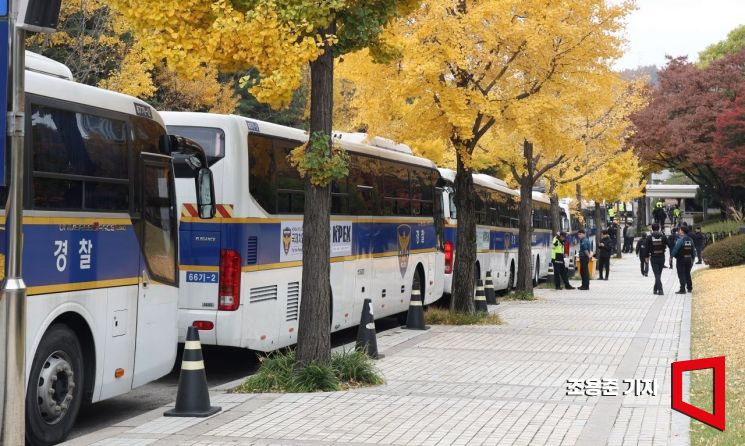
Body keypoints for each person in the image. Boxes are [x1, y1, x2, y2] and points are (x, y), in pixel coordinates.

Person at [671, 226, 696, 294]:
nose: (679, 231)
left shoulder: (680, 240)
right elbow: (693, 249)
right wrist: (693, 258)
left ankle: (682, 289)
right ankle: (689, 288)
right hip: (689, 259)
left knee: (681, 274)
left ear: (682, 231)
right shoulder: (690, 239)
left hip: (681, 259)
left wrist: (671, 256)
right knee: (687, 273)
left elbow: (676, 249)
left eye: (680, 230)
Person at [646, 223, 668, 295]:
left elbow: (646, 249)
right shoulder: (663, 236)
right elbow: (669, 244)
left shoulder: (649, 237)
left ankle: (660, 290)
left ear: (652, 228)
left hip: (654, 257)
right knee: (658, 274)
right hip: (662, 257)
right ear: (659, 228)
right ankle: (655, 289)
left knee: (657, 274)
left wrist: (646, 257)